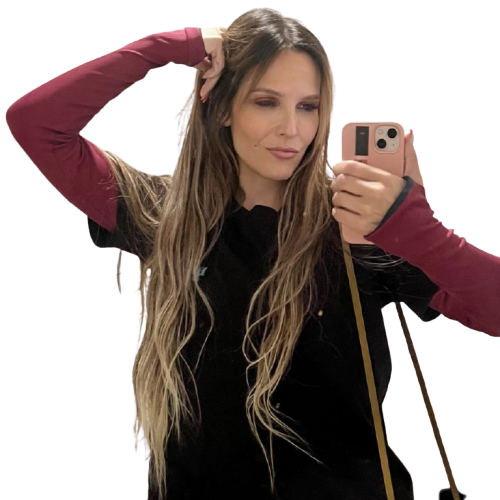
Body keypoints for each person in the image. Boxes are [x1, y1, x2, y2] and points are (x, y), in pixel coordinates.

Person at [5, 7, 499, 500]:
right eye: (266, 102)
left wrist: (417, 229)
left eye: (308, 106)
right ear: (222, 107)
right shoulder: (162, 212)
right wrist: (167, 46)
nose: (292, 129)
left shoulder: (356, 224)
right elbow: (35, 123)